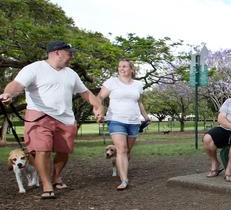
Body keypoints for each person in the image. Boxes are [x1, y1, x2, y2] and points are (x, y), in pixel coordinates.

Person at [0, 40, 104, 199]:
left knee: (63, 152)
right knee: (43, 150)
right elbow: (16, 85)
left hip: (65, 118)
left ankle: (56, 177)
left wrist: (98, 106)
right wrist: (8, 94)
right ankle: (47, 185)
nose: (71, 56)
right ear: (57, 52)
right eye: (69, 53)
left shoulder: (71, 73)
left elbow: (85, 92)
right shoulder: (34, 68)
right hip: (39, 115)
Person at [97, 58, 150, 190]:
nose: (121, 68)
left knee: (127, 151)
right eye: (120, 66)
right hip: (116, 120)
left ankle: (122, 169)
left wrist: (145, 116)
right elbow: (99, 97)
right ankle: (124, 180)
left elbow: (139, 102)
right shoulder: (111, 82)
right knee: (121, 149)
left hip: (133, 121)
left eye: (125, 66)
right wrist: (99, 111)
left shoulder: (138, 84)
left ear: (131, 69)